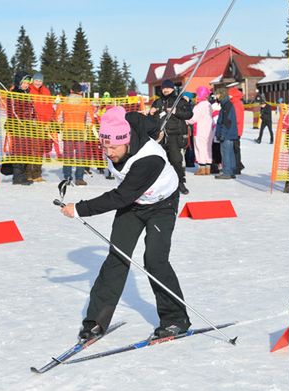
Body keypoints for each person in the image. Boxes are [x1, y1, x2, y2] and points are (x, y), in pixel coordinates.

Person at [60, 106, 191, 340]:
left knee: (154, 259)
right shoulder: (126, 124)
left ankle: (175, 319)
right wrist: (156, 130)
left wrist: (79, 208)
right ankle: (96, 321)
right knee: (117, 256)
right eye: (105, 146)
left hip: (161, 204)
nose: (108, 152)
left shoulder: (148, 160)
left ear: (126, 140)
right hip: (134, 204)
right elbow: (139, 118)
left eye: (113, 147)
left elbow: (120, 197)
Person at [150, 79, 193, 194]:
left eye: (168, 88)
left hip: (175, 135)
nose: (165, 90)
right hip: (160, 136)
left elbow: (189, 114)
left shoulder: (179, 101)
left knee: (176, 160)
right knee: (161, 162)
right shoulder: (157, 102)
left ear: (172, 89)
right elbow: (151, 121)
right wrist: (151, 113)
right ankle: (163, 185)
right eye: (164, 88)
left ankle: (180, 183)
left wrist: (176, 111)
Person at [55, 82, 93, 185]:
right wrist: (87, 128)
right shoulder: (86, 102)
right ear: (81, 92)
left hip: (68, 131)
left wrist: (62, 126)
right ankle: (79, 178)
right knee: (80, 156)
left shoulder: (64, 101)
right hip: (80, 132)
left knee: (68, 155)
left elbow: (58, 117)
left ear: (71, 91)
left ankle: (67, 177)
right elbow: (90, 118)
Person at [6, 72, 35, 185]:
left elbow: (32, 110)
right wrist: (22, 123)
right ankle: (17, 177)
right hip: (18, 127)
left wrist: (33, 120)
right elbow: (12, 111)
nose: (26, 85)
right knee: (19, 151)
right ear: (19, 82)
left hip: (28, 127)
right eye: (24, 82)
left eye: (28, 83)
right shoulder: (13, 94)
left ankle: (22, 175)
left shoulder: (28, 94)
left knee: (26, 151)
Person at [27, 72, 55, 182]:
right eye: (36, 80)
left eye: (40, 81)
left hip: (44, 125)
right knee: (30, 150)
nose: (38, 83)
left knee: (39, 150)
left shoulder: (46, 91)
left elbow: (49, 106)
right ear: (33, 80)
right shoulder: (28, 90)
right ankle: (28, 174)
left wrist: (51, 121)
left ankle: (37, 174)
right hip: (33, 123)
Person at [188, 86, 214, 176]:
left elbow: (193, 119)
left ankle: (202, 168)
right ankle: (208, 168)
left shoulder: (199, 106)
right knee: (208, 148)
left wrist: (186, 120)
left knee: (200, 148)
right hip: (209, 129)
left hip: (199, 129)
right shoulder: (208, 104)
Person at [214, 86, 238, 180]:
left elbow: (226, 121)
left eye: (217, 94)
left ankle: (227, 172)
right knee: (230, 153)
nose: (216, 96)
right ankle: (231, 170)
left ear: (221, 94)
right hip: (230, 133)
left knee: (225, 153)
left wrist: (222, 134)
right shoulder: (226, 104)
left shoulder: (226, 105)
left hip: (227, 134)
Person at [228, 87, 245, 174]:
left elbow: (236, 118)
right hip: (236, 130)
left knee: (235, 149)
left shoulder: (236, 104)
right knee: (235, 149)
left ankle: (237, 167)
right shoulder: (236, 102)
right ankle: (238, 165)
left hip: (235, 130)